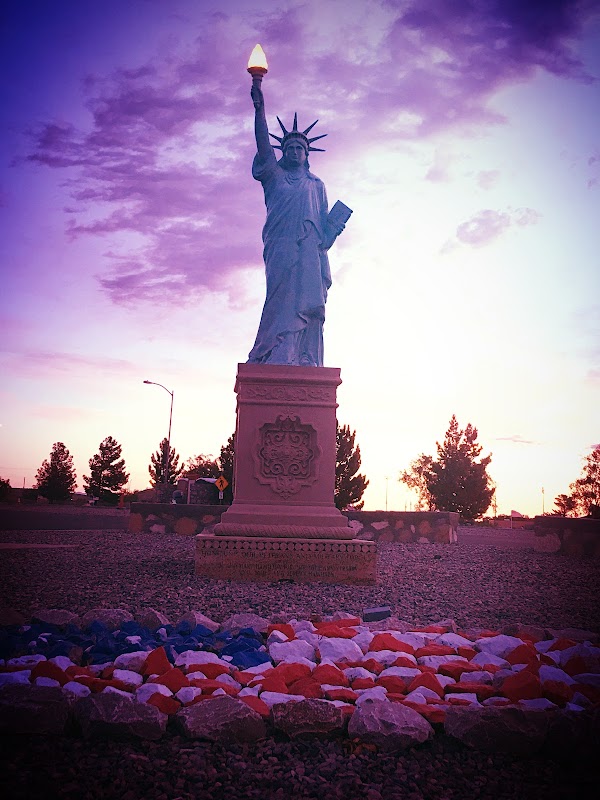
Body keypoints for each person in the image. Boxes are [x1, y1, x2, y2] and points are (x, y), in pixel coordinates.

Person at [247, 82, 345, 367]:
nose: (294, 151)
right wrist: (259, 109)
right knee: (279, 299)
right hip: (281, 246)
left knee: (307, 301)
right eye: (288, 147)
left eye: (299, 148)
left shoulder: (317, 185)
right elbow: (263, 145)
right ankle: (273, 352)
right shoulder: (274, 176)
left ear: (307, 154)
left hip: (310, 253)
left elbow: (324, 235)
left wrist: (334, 229)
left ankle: (304, 355)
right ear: (282, 152)